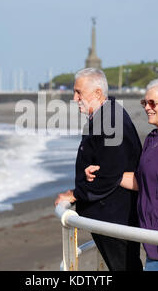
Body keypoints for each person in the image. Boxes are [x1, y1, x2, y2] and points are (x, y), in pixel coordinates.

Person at [85, 77, 158, 271]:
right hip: (153, 232)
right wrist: (102, 174)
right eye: (144, 102)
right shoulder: (153, 138)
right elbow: (142, 181)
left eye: (152, 103)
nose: (147, 107)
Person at [54, 68, 143, 271]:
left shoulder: (111, 119)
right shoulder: (106, 115)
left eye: (79, 92)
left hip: (115, 216)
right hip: (110, 213)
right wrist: (88, 171)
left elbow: (111, 173)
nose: (75, 98)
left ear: (97, 93)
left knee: (125, 267)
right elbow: (106, 164)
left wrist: (76, 194)